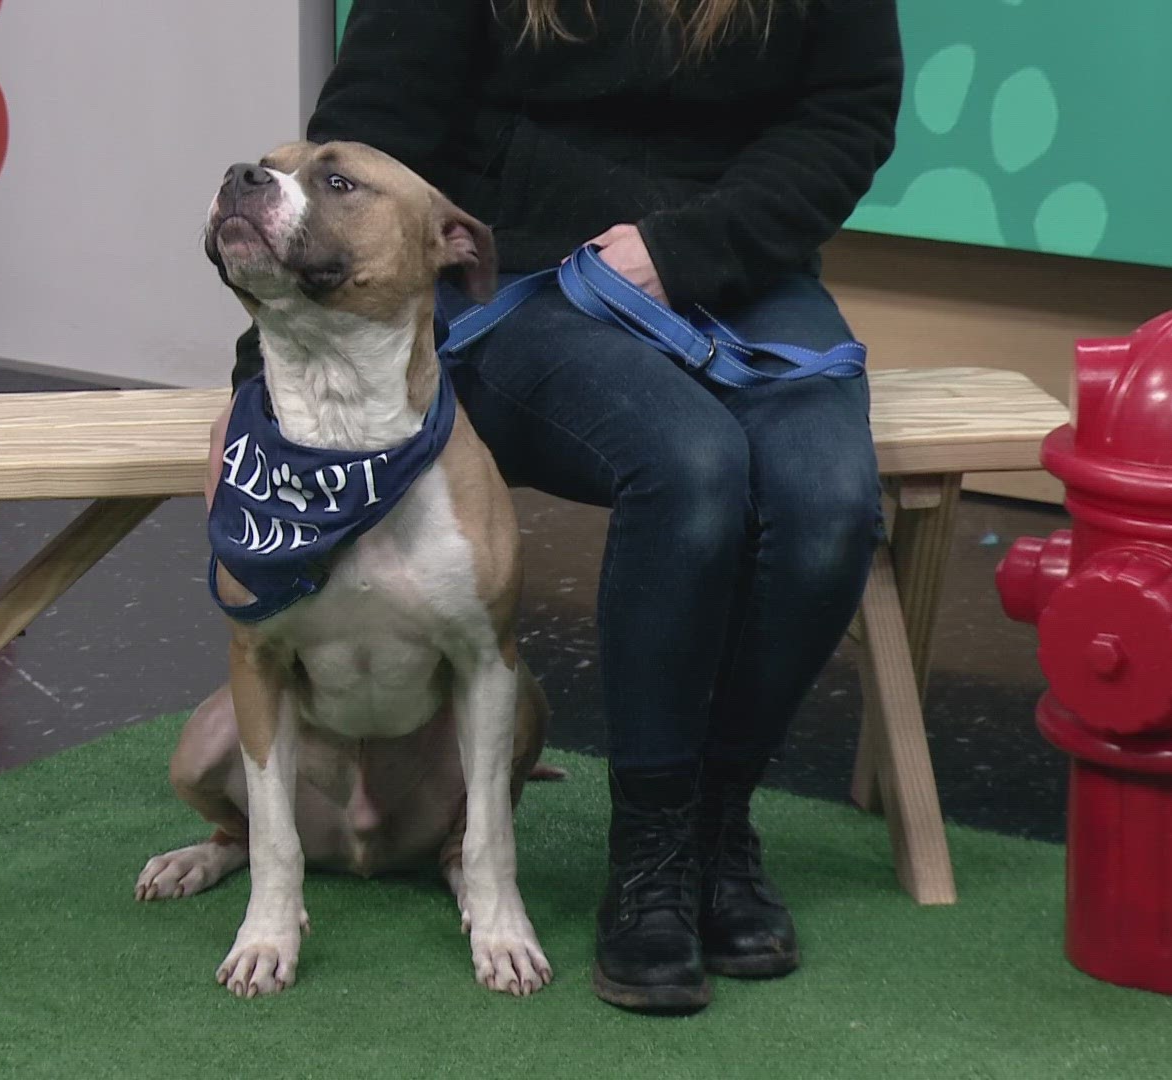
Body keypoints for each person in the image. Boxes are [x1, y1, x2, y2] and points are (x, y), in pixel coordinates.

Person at [231, 0, 903, 1012]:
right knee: (689, 465)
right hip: (513, 269)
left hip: (735, 254)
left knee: (829, 500)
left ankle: (711, 830)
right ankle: (649, 863)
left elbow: (845, 115)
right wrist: (260, 387)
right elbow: (375, 128)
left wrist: (686, 248)